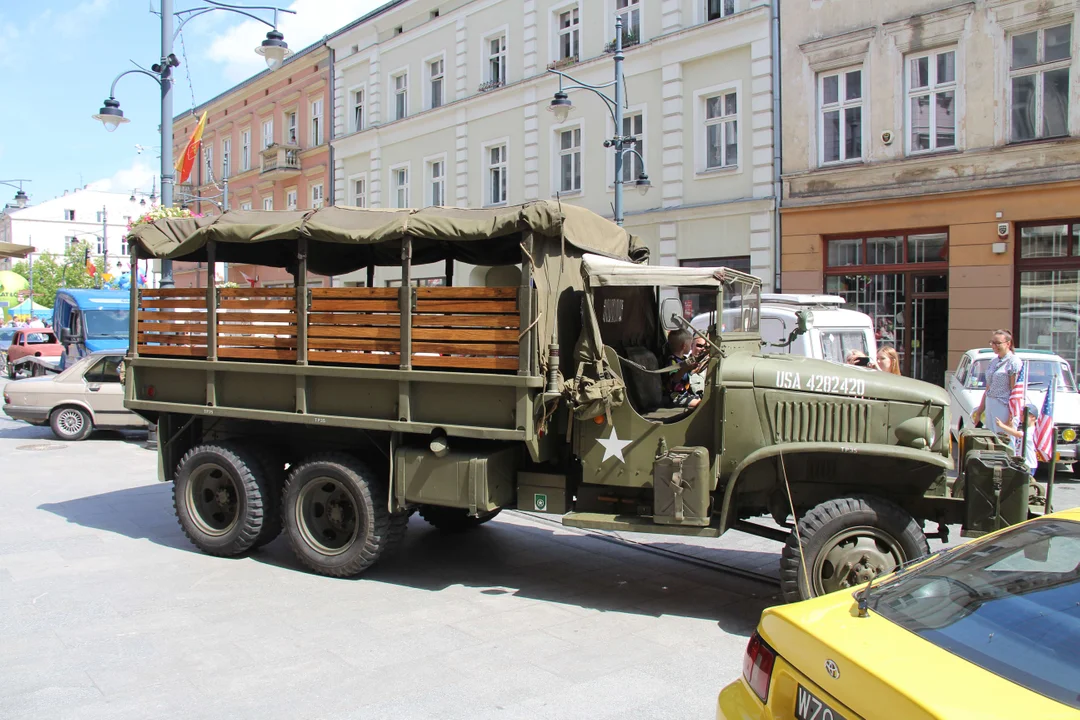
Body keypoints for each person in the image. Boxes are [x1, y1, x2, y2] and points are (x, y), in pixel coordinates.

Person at [971, 329, 1022, 436]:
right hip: (990, 402)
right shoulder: (993, 362)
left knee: (1003, 438)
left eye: (998, 343)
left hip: (1003, 404)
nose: (994, 346)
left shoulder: (1014, 362)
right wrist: (979, 412)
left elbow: (1014, 391)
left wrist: (1010, 417)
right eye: (992, 343)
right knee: (991, 437)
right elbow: (988, 388)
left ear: (1008, 343)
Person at [995, 402, 1038, 476]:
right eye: (1021, 415)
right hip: (1021, 463)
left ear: (1033, 417)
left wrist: (1001, 425)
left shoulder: (1032, 430)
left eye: (1024, 415)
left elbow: (1018, 434)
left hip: (1029, 464)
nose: (1021, 417)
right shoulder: (1024, 429)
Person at [664, 329, 701, 409]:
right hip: (676, 396)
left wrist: (693, 369)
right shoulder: (672, 361)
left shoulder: (683, 359)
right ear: (684, 346)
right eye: (690, 345)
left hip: (685, 393)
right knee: (700, 403)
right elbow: (675, 379)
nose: (691, 347)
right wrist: (685, 368)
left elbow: (685, 375)